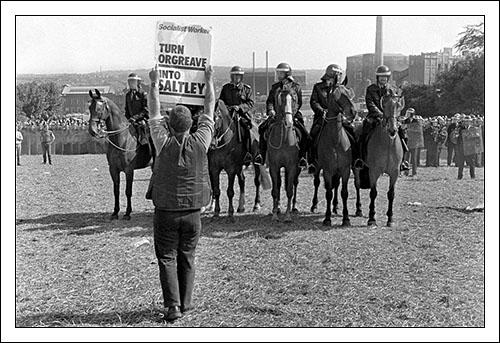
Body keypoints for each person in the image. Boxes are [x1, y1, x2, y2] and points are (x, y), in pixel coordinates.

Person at [147, 65, 214, 322]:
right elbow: (209, 108)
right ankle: (185, 304)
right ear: (191, 125)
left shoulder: (161, 140)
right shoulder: (203, 140)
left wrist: (154, 83)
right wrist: (209, 80)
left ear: (170, 125)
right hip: (193, 212)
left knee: (166, 257)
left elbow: (153, 111)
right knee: (187, 255)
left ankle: (173, 306)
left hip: (166, 211)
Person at [355, 65, 409, 171]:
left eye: (385, 77)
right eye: (381, 77)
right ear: (377, 77)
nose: (383, 79)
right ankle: (360, 159)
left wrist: (393, 115)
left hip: (390, 118)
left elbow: (395, 104)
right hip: (374, 117)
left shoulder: (392, 90)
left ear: (388, 78)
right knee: (363, 131)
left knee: (402, 132)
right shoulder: (371, 89)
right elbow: (370, 103)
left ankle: (403, 161)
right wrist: (380, 115)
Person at [257, 62, 309, 168]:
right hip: (277, 115)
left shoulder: (296, 87)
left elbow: (298, 103)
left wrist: (290, 113)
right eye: (278, 73)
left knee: (304, 133)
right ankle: (261, 156)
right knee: (262, 129)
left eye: (281, 73)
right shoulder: (275, 87)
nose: (278, 75)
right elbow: (270, 101)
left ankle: (303, 157)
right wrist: (271, 110)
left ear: (287, 74)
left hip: (292, 115)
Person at [308, 64, 357, 174]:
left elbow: (346, 102)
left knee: (352, 132)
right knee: (312, 134)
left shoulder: (341, 88)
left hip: (339, 118)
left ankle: (356, 159)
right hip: (322, 118)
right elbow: (314, 102)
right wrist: (322, 111)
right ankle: (312, 161)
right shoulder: (318, 87)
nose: (338, 78)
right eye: (337, 75)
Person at [218, 66, 261, 165]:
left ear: (241, 77)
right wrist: (225, 108)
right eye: (235, 75)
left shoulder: (246, 89)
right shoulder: (226, 88)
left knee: (248, 131)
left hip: (242, 115)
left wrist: (240, 107)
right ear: (232, 76)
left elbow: (250, 103)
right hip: (227, 114)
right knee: (217, 128)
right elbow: (221, 101)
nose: (236, 77)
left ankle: (249, 154)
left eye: (238, 76)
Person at [125, 73, 149, 145]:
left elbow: (145, 110)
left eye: (133, 81)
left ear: (137, 82)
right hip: (131, 120)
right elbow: (127, 109)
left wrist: (135, 118)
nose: (131, 83)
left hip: (143, 119)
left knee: (145, 131)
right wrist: (127, 119)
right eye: (130, 82)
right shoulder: (128, 95)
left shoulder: (142, 94)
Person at [455, 115, 477, 179]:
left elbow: (476, 139)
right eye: (466, 121)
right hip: (462, 149)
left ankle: (472, 176)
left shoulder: (474, 129)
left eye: (468, 121)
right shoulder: (460, 129)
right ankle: (459, 176)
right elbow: (457, 139)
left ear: (470, 122)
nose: (467, 122)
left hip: (471, 149)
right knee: (461, 163)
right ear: (464, 122)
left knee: (472, 163)